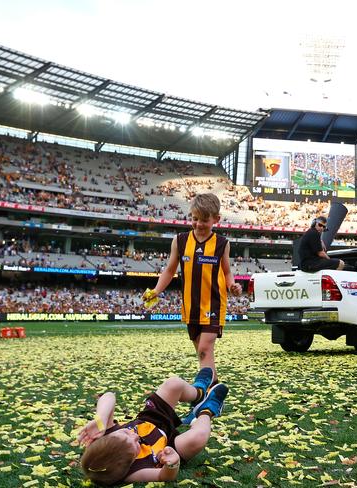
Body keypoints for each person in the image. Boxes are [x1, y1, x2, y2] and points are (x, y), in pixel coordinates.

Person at [143, 193, 242, 384]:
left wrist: (232, 286)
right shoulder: (179, 241)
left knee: (205, 349)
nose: (198, 224)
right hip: (191, 306)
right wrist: (155, 291)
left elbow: (227, 272)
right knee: (203, 354)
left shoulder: (222, 244)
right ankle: (214, 388)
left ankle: (205, 393)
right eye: (194, 219)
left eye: (204, 220)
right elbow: (170, 270)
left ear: (216, 219)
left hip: (213, 305)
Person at [79, 370, 227, 485]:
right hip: (168, 445)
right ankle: (207, 410)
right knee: (199, 436)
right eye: (135, 445)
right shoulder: (133, 473)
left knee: (173, 384)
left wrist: (101, 420)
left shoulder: (104, 439)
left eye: (127, 433)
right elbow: (163, 476)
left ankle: (198, 394)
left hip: (150, 419)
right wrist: (172, 464)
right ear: (128, 465)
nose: (136, 436)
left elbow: (109, 396)